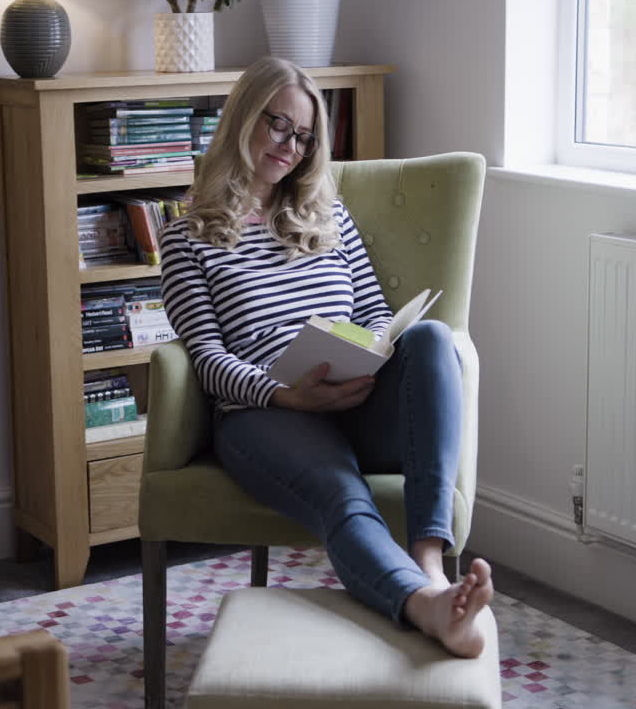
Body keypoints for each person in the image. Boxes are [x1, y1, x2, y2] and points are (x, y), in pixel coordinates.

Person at [158, 56, 493, 658]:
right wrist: (285, 394)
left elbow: (371, 311)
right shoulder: (189, 236)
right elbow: (206, 357)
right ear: (242, 118)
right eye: (279, 126)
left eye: (305, 137)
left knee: (430, 337)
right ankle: (426, 607)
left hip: (352, 400)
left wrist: (368, 353)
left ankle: (430, 562)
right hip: (262, 414)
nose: (291, 147)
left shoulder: (327, 215)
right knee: (343, 495)